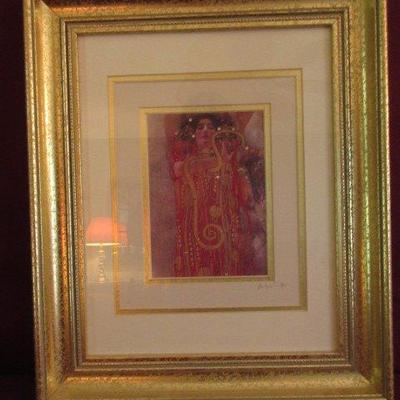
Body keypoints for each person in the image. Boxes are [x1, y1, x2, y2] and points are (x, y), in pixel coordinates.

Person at [168, 113, 265, 277]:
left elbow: (239, 193)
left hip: (222, 224)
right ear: (194, 134)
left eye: (210, 127)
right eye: (200, 128)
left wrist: (228, 165)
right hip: (194, 223)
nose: (205, 131)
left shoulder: (226, 161)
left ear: (216, 133)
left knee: (223, 259)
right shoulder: (186, 163)